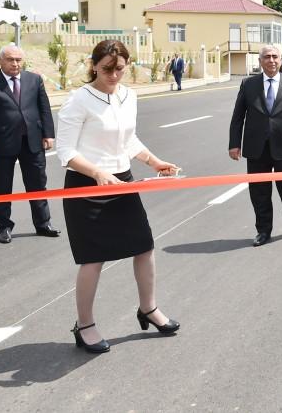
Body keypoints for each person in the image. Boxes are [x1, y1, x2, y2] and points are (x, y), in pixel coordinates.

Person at [57, 40, 180, 354]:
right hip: (87, 186)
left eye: (120, 69)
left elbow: (129, 140)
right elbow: (66, 152)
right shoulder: (79, 100)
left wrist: (154, 161)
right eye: (107, 69)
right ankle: (84, 324)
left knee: (144, 246)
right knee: (92, 259)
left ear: (127, 66)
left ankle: (148, 308)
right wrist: (97, 172)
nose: (113, 75)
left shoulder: (129, 96)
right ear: (94, 65)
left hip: (122, 182)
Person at [228, 44, 282, 246]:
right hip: (256, 148)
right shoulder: (248, 85)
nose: (271, 60)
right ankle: (263, 231)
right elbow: (238, 117)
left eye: (275, 57)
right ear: (260, 61)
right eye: (267, 57)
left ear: (281, 60)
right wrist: (234, 144)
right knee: (259, 191)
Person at [0, 44, 61, 243]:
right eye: (10, 59)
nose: (15, 64)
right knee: (1, 187)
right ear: (0, 61)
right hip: (2, 144)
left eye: (18, 59)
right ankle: (4, 227)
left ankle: (43, 224)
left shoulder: (34, 79)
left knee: (38, 184)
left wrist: (48, 134)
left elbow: (44, 108)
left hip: (32, 142)